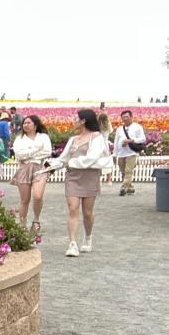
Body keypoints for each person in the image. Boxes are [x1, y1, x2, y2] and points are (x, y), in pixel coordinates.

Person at [44, 109, 113, 257]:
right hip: (73, 177)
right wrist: (51, 166)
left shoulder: (97, 137)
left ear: (83, 121)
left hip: (90, 177)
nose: (73, 121)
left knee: (87, 213)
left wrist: (71, 162)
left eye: (76, 119)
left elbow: (91, 158)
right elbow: (63, 158)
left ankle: (88, 237)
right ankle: (72, 243)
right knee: (72, 208)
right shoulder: (73, 139)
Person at [11, 114, 52, 243]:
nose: (25, 125)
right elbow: (19, 154)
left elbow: (47, 151)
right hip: (24, 168)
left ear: (35, 124)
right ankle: (22, 224)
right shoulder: (19, 139)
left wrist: (28, 152)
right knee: (25, 199)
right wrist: (35, 150)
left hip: (40, 167)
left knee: (38, 195)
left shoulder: (43, 137)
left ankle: (36, 220)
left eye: (28, 123)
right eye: (24, 123)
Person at [113, 110, 147, 196]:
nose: (125, 118)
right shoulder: (119, 129)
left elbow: (143, 139)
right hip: (121, 153)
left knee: (128, 170)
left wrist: (131, 140)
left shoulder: (137, 127)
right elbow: (116, 141)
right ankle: (130, 188)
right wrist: (114, 154)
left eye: (126, 117)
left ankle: (124, 187)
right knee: (123, 172)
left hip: (132, 153)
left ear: (131, 117)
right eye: (123, 117)